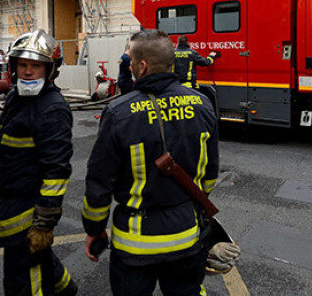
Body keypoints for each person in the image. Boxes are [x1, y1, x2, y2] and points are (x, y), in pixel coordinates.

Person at [83, 29, 219, 295]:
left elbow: (99, 182)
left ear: (142, 67)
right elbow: (209, 173)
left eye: (131, 61)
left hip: (135, 245)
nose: (130, 66)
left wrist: (95, 229)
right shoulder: (202, 105)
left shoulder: (118, 112)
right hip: (186, 237)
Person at [0, 29, 78, 296]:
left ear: (49, 70)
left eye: (35, 66)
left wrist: (44, 224)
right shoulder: (16, 95)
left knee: (24, 279)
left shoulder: (53, 109)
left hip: (29, 209)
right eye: (23, 65)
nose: (27, 72)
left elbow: (57, 171)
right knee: (38, 265)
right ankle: (67, 290)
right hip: (11, 199)